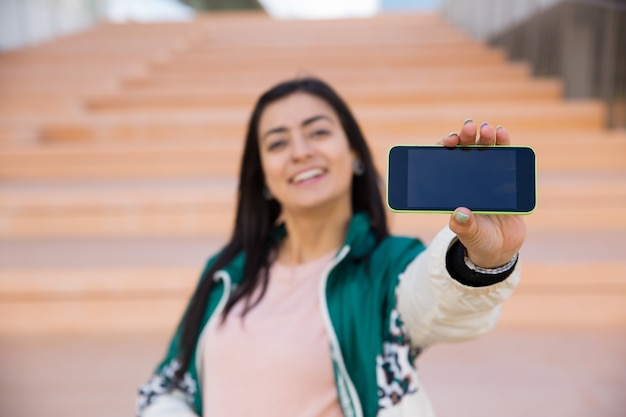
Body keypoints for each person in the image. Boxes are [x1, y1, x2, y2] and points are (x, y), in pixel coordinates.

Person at [136, 77, 525, 417]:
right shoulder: (226, 272)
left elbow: (436, 300)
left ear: (355, 154)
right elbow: (167, 385)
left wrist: (482, 259)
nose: (300, 151)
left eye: (318, 132)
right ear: (264, 178)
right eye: (277, 143)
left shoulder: (388, 266)